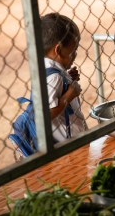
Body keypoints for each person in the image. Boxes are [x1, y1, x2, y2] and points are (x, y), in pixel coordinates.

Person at [40, 13, 88, 142]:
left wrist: (67, 79)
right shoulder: (54, 77)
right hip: (66, 144)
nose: (76, 54)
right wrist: (69, 95)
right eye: (74, 50)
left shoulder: (44, 69)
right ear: (59, 50)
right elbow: (45, 114)